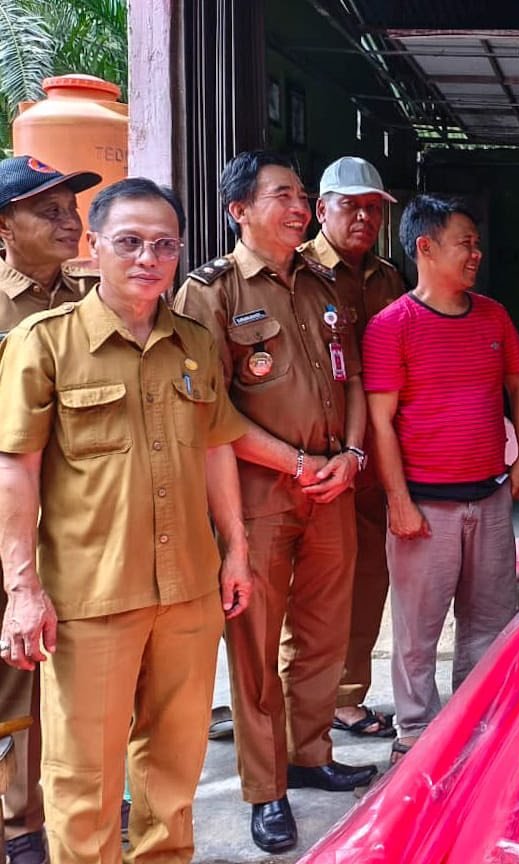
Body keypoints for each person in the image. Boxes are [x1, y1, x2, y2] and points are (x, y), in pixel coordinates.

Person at [0, 178, 251, 864]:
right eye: (130, 242)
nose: (148, 257)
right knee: (85, 780)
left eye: (164, 244)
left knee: (174, 771)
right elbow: (14, 468)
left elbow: (217, 448)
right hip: (89, 599)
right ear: (95, 247)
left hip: (188, 593)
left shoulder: (194, 344)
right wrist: (22, 590)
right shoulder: (44, 343)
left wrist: (236, 550)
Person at [173, 150, 374, 854]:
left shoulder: (324, 285)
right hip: (258, 496)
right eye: (282, 195)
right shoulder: (212, 292)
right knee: (256, 646)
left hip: (332, 488)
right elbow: (207, 414)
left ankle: (310, 753)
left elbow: (351, 379)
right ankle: (266, 789)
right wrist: (296, 462)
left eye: (300, 196)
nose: (299, 208)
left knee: (325, 633)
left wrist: (350, 457)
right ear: (239, 211)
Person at [363, 194, 519, 763]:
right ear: (425, 247)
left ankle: (477, 722)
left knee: (489, 622)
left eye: (476, 243)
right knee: (417, 633)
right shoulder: (393, 326)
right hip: (425, 507)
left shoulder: (492, 315)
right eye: (465, 241)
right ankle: (413, 733)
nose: (476, 253)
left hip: (487, 499)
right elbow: (381, 422)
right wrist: (398, 501)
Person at [0, 154, 101, 864]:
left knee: (79, 667)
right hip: (11, 520)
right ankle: (21, 823)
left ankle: (75, 799)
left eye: (72, 207)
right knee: (15, 678)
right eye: (48, 210)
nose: (70, 221)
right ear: (4, 225)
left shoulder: (92, 294)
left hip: (83, 517)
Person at [300, 156, 405, 740]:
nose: (363, 217)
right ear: (322, 210)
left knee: (368, 579)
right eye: (350, 205)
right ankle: (291, 704)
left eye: (372, 208)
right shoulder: (298, 272)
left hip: (371, 458)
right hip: (313, 457)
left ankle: (345, 696)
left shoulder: (388, 278)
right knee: (311, 586)